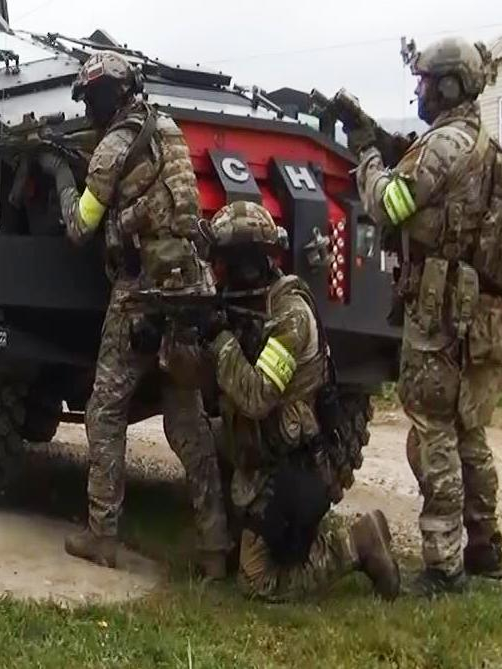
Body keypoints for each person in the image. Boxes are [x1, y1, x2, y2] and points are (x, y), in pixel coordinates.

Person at [36, 51, 230, 575]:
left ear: (100, 99)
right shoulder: (167, 129)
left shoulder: (112, 148)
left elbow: (80, 227)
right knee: (186, 419)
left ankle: (103, 535)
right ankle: (215, 546)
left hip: (141, 291)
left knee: (104, 411)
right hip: (190, 284)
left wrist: (59, 174)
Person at [349, 37, 502, 595]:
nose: (419, 90)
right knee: (469, 432)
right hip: (483, 318)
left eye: (425, 81)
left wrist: (369, 160)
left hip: (441, 313)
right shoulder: (489, 149)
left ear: (449, 85)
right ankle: (485, 549)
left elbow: (391, 204)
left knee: (433, 434)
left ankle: (443, 567)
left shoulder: (442, 147)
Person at [201, 201, 400, 601]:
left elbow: (256, 396)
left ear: (241, 263)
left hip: (299, 464)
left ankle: (358, 544)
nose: (215, 272)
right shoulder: (252, 306)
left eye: (221, 262)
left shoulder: (290, 316)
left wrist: (220, 339)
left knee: (258, 582)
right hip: (268, 452)